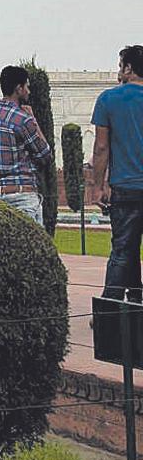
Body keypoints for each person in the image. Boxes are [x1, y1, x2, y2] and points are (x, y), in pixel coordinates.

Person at [90, 45, 143, 301]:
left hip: (126, 187)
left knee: (123, 250)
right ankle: (135, 302)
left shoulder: (109, 99)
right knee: (129, 252)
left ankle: (109, 310)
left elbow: (101, 148)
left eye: (120, 64)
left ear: (128, 68)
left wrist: (97, 186)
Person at [0, 65, 52, 226]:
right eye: (26, 86)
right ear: (18, 89)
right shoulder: (22, 119)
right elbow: (45, 155)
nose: (29, 91)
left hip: (0, 196)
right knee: (32, 250)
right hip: (23, 196)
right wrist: (33, 120)